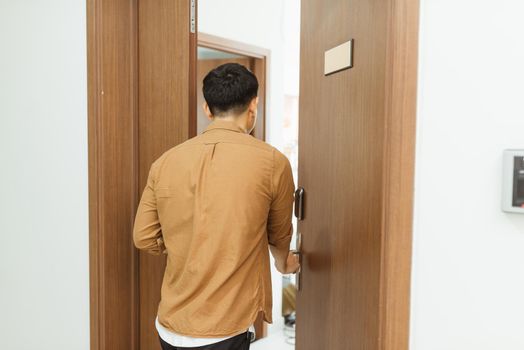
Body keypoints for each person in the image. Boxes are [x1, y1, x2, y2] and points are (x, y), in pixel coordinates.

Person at [133, 62, 300, 350]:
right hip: (225, 329)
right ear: (253, 105)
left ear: (206, 109)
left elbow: (143, 237)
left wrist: (185, 245)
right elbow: (279, 235)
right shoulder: (272, 162)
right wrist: (283, 262)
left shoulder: (165, 162)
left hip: (170, 326)